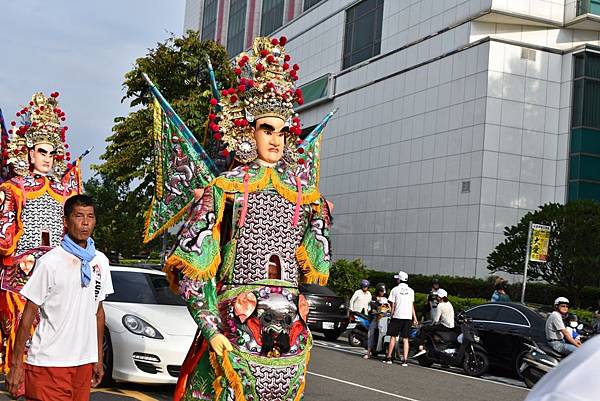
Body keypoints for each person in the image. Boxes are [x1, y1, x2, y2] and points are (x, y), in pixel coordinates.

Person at [163, 36, 333, 401]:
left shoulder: (304, 193)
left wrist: (320, 219)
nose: (276, 140)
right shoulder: (226, 188)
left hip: (291, 330)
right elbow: (195, 271)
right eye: (266, 129)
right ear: (246, 131)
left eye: (282, 132)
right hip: (236, 322)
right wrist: (211, 329)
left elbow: (319, 263)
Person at [0, 92, 81, 377]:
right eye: (42, 152)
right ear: (30, 153)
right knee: (22, 323)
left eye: (52, 153)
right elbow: (4, 235)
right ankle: (19, 374)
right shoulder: (13, 188)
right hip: (22, 271)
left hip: (58, 268)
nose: (47, 158)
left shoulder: (67, 192)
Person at [6, 194, 113, 401]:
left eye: (90, 217)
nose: (84, 223)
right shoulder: (49, 262)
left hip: (82, 364)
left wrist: (98, 358)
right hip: (48, 364)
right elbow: (28, 314)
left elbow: (98, 313)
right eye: (78, 216)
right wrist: (17, 364)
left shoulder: (101, 261)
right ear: (65, 221)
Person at [524, 334, 600, 401]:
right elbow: (566, 333)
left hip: (559, 341)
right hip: (557, 343)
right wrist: (577, 345)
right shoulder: (556, 317)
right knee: (576, 350)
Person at [384, 271, 417, 366]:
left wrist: (391, 315)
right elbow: (411, 305)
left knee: (393, 337)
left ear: (399, 279)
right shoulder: (411, 291)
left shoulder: (395, 289)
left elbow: (393, 305)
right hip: (407, 317)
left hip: (397, 316)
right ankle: (405, 360)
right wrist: (415, 318)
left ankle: (389, 357)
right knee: (406, 338)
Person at [414, 288, 455, 357]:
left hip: (444, 326)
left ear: (440, 297)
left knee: (424, 329)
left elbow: (436, 320)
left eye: (437, 296)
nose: (436, 298)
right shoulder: (449, 303)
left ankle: (421, 347)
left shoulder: (440, 305)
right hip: (451, 326)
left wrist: (430, 324)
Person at [363, 283, 390, 359]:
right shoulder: (374, 297)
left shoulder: (388, 297)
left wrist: (384, 308)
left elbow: (389, 307)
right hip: (376, 318)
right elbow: (373, 307)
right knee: (371, 333)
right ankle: (368, 352)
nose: (383, 292)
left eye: (384, 291)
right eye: (381, 291)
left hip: (385, 318)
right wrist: (381, 307)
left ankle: (389, 353)